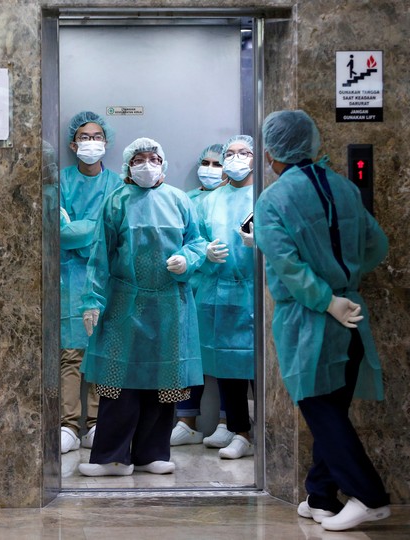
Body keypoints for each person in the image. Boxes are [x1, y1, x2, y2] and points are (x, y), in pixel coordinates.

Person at [254, 110, 391, 531]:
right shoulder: (344, 187)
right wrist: (344, 283)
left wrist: (324, 298)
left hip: (310, 319)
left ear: (271, 152)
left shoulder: (272, 200)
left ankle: (369, 496)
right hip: (352, 315)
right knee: (333, 407)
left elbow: (289, 267)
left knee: (320, 409)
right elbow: (376, 245)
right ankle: (321, 494)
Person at [78, 137, 207, 477]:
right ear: (128, 166)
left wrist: (187, 258)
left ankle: (152, 453)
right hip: (125, 304)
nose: (146, 164)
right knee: (118, 381)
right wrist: (92, 300)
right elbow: (99, 255)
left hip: (170, 305)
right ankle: (112, 457)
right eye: (139, 159)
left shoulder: (180, 201)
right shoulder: (116, 202)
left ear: (163, 164)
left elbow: (198, 241)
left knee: (164, 382)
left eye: (153, 158)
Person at [59, 111, 122, 454]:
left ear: (106, 143)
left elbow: (114, 230)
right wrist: (92, 227)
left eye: (97, 136)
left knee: (101, 351)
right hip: (69, 276)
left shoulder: (118, 184)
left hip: (106, 276)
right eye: (84, 137)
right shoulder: (61, 182)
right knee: (70, 353)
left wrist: (79, 226)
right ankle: (69, 424)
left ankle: (97, 422)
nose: (91, 142)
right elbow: (59, 232)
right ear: (72, 143)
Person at [192, 134, 256, 459]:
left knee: (259, 365)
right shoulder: (210, 200)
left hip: (255, 292)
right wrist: (205, 251)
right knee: (228, 364)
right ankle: (239, 430)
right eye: (230, 153)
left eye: (243, 152)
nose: (235, 158)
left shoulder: (265, 197)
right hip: (219, 291)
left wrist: (259, 244)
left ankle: (268, 429)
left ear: (255, 157)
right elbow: (193, 239)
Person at [170, 143, 229, 447]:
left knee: (230, 359)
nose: (209, 168)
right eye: (204, 162)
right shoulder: (187, 200)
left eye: (216, 163)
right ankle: (186, 419)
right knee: (190, 357)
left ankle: (227, 421)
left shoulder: (240, 199)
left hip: (229, 289)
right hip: (191, 288)